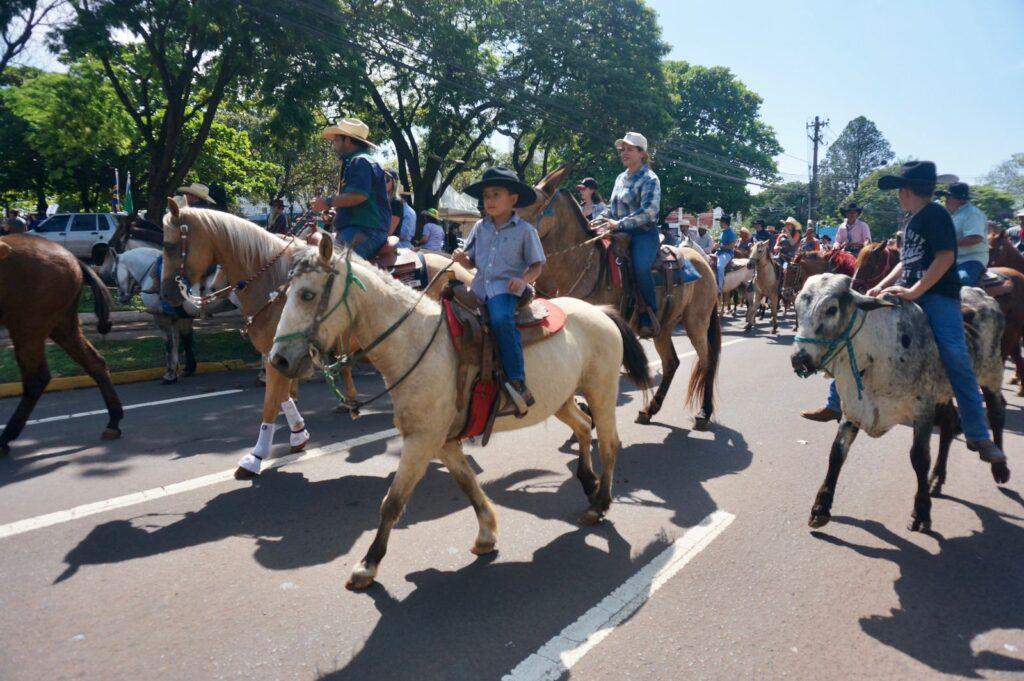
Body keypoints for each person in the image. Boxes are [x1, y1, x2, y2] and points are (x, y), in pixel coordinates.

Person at [808, 161, 1006, 464]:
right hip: (905, 291)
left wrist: (916, 291)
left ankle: (978, 433)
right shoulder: (912, 221)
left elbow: (945, 257)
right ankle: (836, 401)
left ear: (907, 191)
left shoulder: (936, 215)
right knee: (856, 330)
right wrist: (881, 286)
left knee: (956, 355)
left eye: (899, 190)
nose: (898, 195)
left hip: (938, 297)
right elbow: (905, 262)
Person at [454, 167, 546, 414]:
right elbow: (472, 262)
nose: (490, 200)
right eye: (486, 195)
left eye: (496, 194)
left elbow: (537, 266)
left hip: (505, 290)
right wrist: (462, 259)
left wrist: (523, 280)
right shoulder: (479, 227)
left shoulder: (525, 230)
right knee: (449, 309)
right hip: (478, 288)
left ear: (513, 199)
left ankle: (517, 381)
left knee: (500, 319)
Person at [591, 131, 662, 338]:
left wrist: (620, 223)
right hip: (617, 231)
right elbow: (612, 209)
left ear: (642, 153)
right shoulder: (620, 178)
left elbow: (649, 211)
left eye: (630, 149)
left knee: (640, 267)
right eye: (622, 149)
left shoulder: (650, 179)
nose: (624, 153)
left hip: (642, 233)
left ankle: (649, 314)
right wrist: (598, 220)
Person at [311, 118, 390, 260]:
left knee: (332, 265)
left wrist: (326, 202)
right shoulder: (357, 161)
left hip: (365, 230)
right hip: (361, 229)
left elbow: (358, 195)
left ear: (347, 141)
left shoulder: (360, 161)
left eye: (336, 140)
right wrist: (337, 214)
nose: (333, 144)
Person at [937, 182, 987, 286]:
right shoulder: (952, 215)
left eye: (948, 197)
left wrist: (947, 243)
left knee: (960, 283)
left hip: (971, 260)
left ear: (960, 199)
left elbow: (975, 238)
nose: (946, 200)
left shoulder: (972, 213)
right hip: (951, 260)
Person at [715, 214, 737, 290]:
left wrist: (720, 246)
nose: (719, 223)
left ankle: (720, 288)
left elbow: (731, 246)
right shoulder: (722, 232)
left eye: (720, 222)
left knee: (720, 267)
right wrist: (716, 245)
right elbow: (720, 244)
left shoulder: (731, 233)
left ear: (724, 223)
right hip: (719, 253)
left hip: (727, 254)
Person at [385, 169, 404, 238]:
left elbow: (390, 231)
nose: (383, 181)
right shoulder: (381, 201)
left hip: (389, 241)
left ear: (394, 182)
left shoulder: (396, 202)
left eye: (386, 179)